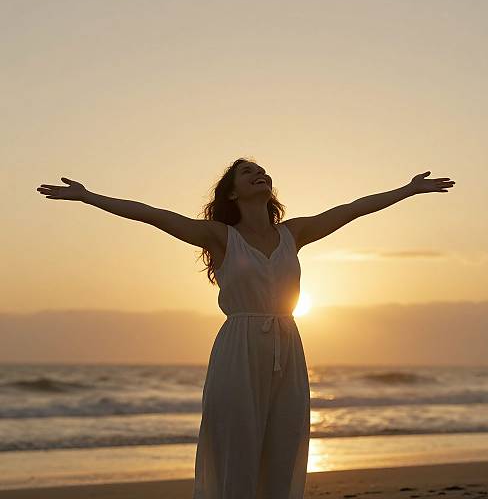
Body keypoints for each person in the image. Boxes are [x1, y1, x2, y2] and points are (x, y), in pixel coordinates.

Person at [36, 158, 455, 498]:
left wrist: (407, 190)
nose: (260, 174)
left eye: (263, 170)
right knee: (236, 443)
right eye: (247, 171)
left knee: (284, 441)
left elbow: (350, 210)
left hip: (288, 346)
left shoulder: (295, 232)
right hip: (238, 346)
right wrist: (88, 197)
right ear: (233, 191)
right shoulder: (219, 237)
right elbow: (152, 215)